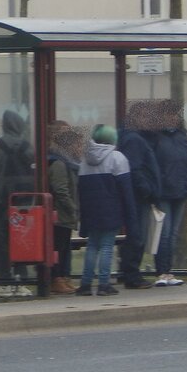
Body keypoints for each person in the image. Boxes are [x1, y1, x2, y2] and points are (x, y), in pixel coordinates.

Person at [76, 124, 136, 296]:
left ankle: (86, 284)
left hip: (91, 210)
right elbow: (125, 189)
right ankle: (104, 284)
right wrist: (130, 214)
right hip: (111, 209)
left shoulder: (85, 160)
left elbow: (81, 189)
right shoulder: (117, 158)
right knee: (107, 246)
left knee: (92, 245)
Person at [146, 100, 187, 286]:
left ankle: (168, 271)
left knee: (173, 234)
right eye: (169, 114)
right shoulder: (154, 137)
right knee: (164, 233)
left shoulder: (181, 136)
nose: (173, 118)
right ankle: (161, 271)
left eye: (175, 114)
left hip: (181, 191)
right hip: (163, 193)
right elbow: (151, 164)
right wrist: (157, 186)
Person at [0, 110, 35, 294]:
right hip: (23, 202)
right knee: (21, 238)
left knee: (1, 241)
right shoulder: (28, 147)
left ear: (4, 125)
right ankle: (21, 278)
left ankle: (2, 279)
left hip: (1, 201)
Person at [116, 101, 163, 289]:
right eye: (145, 117)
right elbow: (134, 168)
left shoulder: (137, 137)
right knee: (137, 235)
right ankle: (131, 275)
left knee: (136, 235)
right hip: (137, 196)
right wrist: (147, 189)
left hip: (137, 194)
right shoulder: (134, 139)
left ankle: (129, 272)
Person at [46, 122, 82, 295]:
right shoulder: (58, 163)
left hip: (64, 214)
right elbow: (61, 190)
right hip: (60, 214)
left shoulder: (67, 161)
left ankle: (63, 277)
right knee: (58, 246)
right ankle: (57, 279)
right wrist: (72, 208)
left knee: (63, 246)